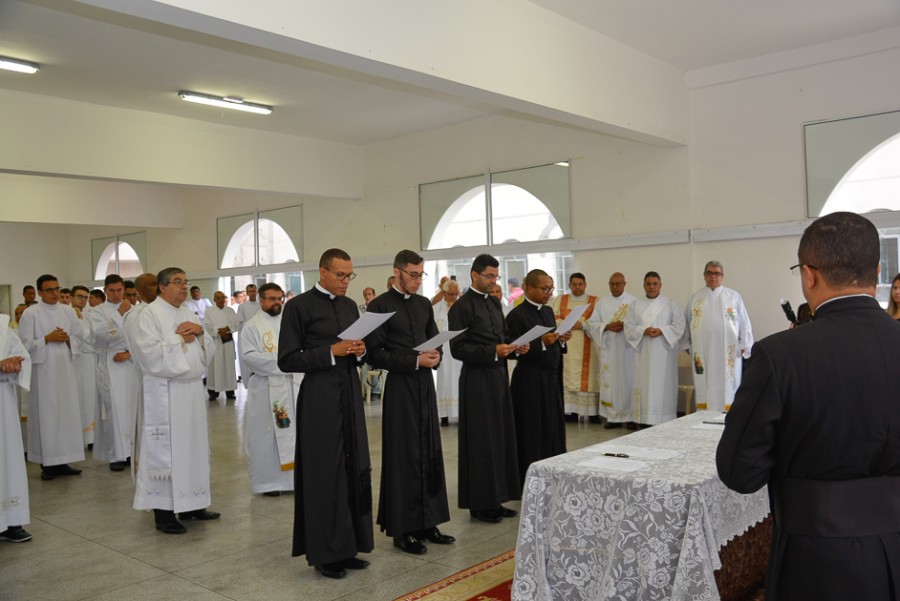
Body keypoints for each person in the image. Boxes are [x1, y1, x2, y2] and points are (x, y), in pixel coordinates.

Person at [717, 212, 900, 601]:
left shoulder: (779, 356)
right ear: (877, 270)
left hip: (816, 556)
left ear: (808, 275)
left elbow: (739, 472)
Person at [277, 248, 373, 580]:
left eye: (349, 275)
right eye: (340, 275)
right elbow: (287, 359)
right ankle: (325, 552)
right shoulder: (299, 307)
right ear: (323, 272)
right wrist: (329, 352)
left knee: (352, 467)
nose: (346, 281)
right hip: (320, 396)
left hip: (349, 392)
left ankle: (349, 546)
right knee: (325, 472)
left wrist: (360, 350)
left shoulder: (349, 306)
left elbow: (356, 347)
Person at [364, 250, 454, 556]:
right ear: (397, 272)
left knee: (430, 451)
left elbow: (434, 339)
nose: (417, 281)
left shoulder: (423, 304)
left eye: (420, 275)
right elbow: (374, 354)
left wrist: (436, 355)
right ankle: (402, 529)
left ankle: (428, 522)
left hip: (425, 386)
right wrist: (414, 361)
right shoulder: (379, 306)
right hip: (400, 387)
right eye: (413, 275)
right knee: (404, 457)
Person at [129, 267, 219, 535]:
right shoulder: (149, 314)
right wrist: (180, 337)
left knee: (193, 448)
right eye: (177, 282)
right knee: (169, 451)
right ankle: (164, 512)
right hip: (166, 392)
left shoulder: (188, 312)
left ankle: (193, 503)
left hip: (192, 391)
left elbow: (207, 349)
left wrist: (200, 332)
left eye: (185, 282)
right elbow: (147, 353)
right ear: (162, 287)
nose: (183, 287)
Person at [448, 253, 526, 523]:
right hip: (477, 379)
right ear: (474, 275)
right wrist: (493, 351)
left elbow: (503, 335)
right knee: (481, 440)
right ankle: (480, 504)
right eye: (489, 276)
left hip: (498, 377)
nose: (494, 281)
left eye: (496, 276)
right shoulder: (461, 307)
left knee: (500, 437)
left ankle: (498, 497)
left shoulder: (493, 302)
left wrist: (515, 347)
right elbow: (458, 348)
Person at [17, 275, 85, 481]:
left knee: (65, 415)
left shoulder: (68, 311)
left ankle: (63, 460)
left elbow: (80, 338)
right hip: (43, 374)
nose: (55, 293)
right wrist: (47, 339)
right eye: (49, 290)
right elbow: (24, 345)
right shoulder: (31, 313)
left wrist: (68, 339)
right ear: (40, 292)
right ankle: (47, 464)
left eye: (57, 289)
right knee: (46, 417)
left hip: (65, 372)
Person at [507, 269, 569, 486]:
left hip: (550, 379)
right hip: (529, 381)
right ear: (530, 288)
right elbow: (512, 349)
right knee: (532, 430)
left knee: (553, 427)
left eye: (551, 288)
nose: (549, 293)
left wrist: (561, 339)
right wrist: (542, 342)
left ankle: (554, 476)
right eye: (545, 289)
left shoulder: (548, 311)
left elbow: (552, 341)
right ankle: (531, 481)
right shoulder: (517, 315)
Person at [241, 283, 297, 497]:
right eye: (272, 299)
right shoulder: (252, 326)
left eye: (279, 298)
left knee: (294, 432)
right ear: (261, 300)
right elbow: (249, 357)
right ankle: (269, 483)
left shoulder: (290, 323)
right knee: (266, 437)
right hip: (266, 389)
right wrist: (284, 362)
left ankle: (293, 480)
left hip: (290, 387)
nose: (277, 302)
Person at [683, 260, 753, 412]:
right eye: (709, 273)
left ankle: (728, 417)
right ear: (704, 275)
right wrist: (687, 345)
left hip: (728, 351)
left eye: (716, 273)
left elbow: (744, 323)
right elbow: (686, 323)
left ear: (722, 276)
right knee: (704, 383)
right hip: (703, 351)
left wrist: (744, 344)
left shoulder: (733, 297)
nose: (713, 277)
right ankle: (703, 417)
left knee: (728, 386)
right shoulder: (695, 299)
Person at [87, 274, 137, 471]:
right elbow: (100, 335)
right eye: (112, 291)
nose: (116, 294)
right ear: (105, 290)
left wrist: (129, 352)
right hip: (109, 361)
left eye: (119, 290)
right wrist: (118, 314)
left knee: (131, 407)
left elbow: (140, 335)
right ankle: (116, 454)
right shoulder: (97, 311)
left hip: (131, 361)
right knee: (113, 409)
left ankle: (131, 451)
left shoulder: (135, 309)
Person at [624, 272, 685, 427]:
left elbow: (679, 325)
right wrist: (643, 331)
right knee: (644, 385)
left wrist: (662, 331)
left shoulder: (670, 304)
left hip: (664, 354)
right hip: (643, 353)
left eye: (654, 284)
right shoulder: (635, 305)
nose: (651, 287)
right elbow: (628, 327)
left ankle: (664, 418)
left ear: (660, 285)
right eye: (648, 284)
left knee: (663, 386)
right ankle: (644, 419)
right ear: (644, 285)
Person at [584, 272, 636, 428]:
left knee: (629, 381)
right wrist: (607, 326)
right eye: (612, 284)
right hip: (609, 349)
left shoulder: (633, 302)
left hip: (628, 350)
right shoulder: (602, 303)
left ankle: (631, 417)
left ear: (624, 284)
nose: (614, 287)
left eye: (618, 284)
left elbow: (640, 325)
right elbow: (591, 324)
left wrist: (625, 326)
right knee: (611, 382)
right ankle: (612, 418)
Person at [0, 314, 32, 543]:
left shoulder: (2, 327)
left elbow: (23, 355)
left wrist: (16, 363)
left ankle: (10, 520)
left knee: (8, 459)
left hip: (4, 401)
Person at [551, 273, 600, 423]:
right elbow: (554, 318)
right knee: (568, 376)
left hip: (588, 345)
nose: (577, 287)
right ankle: (570, 411)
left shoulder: (594, 301)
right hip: (567, 345)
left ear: (585, 285)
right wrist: (567, 324)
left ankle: (591, 413)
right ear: (569, 285)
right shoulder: (561, 300)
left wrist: (583, 324)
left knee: (589, 378)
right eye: (574, 284)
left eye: (580, 284)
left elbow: (598, 322)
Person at [70, 285, 97, 448]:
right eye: (80, 296)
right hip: (72, 360)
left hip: (88, 360)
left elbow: (90, 337)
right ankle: (74, 437)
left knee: (89, 397)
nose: (83, 300)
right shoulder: (65, 313)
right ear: (71, 297)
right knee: (74, 397)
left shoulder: (89, 314)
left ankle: (90, 437)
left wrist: (80, 319)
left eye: (86, 297)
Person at [433, 279, 462, 425]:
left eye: (456, 294)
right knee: (444, 380)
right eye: (451, 294)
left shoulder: (462, 307)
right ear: (444, 293)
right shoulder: (436, 308)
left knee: (459, 379)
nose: (454, 297)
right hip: (444, 350)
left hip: (458, 350)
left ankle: (460, 412)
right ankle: (444, 414)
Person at [204, 291, 238, 400]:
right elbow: (207, 325)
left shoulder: (230, 311)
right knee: (214, 366)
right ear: (214, 299)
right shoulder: (209, 311)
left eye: (223, 297)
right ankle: (213, 392)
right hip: (215, 342)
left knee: (229, 366)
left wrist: (226, 329)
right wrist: (218, 331)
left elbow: (236, 324)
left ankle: (230, 391)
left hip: (227, 341)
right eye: (218, 298)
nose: (221, 300)